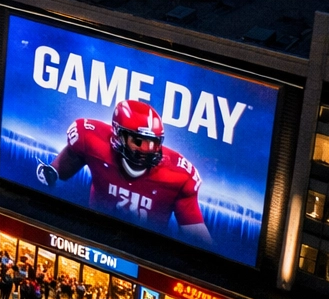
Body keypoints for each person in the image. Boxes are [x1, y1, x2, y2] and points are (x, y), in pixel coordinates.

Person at [38, 98, 213, 247]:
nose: (147, 150)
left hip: (148, 251)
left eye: (153, 143)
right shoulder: (91, 139)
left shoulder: (179, 175)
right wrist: (49, 176)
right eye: (138, 141)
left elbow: (200, 244)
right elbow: (53, 176)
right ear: (118, 135)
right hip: (93, 232)